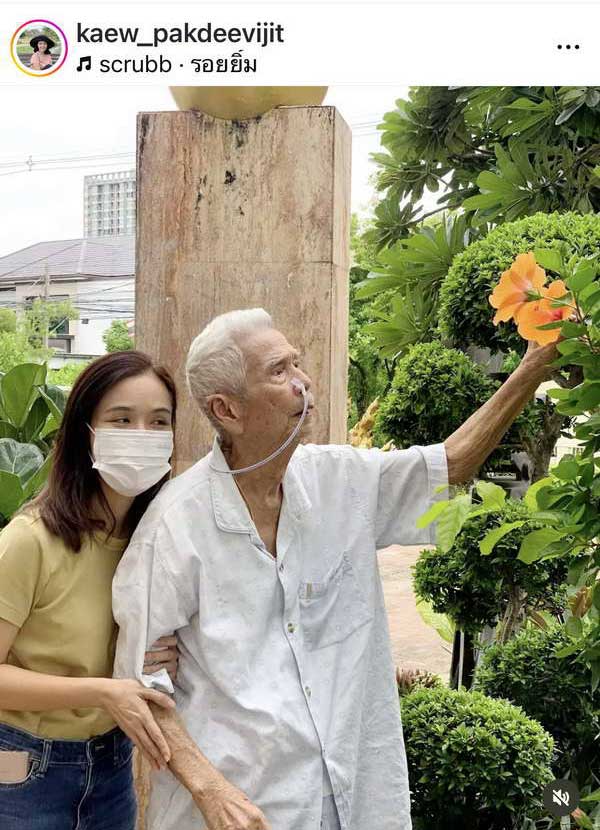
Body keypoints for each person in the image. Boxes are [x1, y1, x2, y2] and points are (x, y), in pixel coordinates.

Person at [112, 309, 558, 830]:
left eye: (297, 363)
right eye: (279, 372)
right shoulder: (174, 525)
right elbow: (140, 687)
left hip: (354, 794)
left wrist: (532, 368)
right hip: (241, 806)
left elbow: (449, 464)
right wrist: (210, 789)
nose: (304, 382)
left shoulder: (340, 479)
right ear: (226, 410)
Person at [0, 351, 182, 830]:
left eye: (158, 421)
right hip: (24, 770)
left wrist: (163, 656)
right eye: (122, 419)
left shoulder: (155, 544)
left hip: (112, 768)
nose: (142, 435)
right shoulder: (30, 541)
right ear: (86, 433)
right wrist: (105, 692)